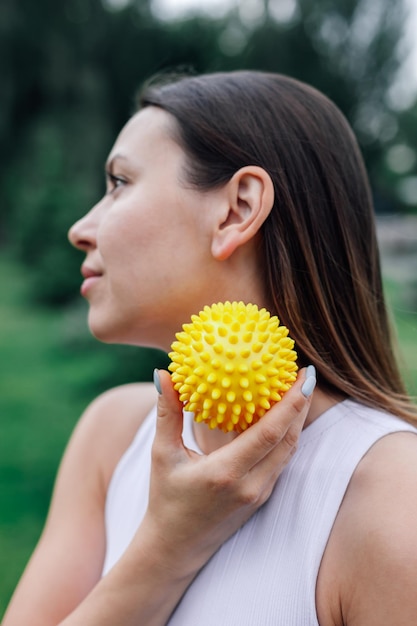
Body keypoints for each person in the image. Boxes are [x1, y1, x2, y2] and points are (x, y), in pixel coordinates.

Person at [3, 70, 417, 626]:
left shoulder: (395, 497)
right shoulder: (111, 437)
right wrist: (167, 544)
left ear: (237, 209)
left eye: (120, 182)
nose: (81, 228)